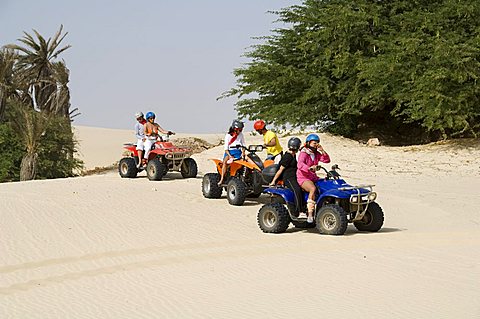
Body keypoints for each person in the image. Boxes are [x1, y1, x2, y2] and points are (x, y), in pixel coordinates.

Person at [297, 133, 330, 223]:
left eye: (317, 143)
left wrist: (322, 151)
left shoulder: (316, 154)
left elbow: (327, 160)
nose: (316, 144)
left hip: (313, 176)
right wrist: (309, 168)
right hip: (303, 177)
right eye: (314, 143)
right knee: (312, 188)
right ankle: (310, 214)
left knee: (326, 184)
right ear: (308, 143)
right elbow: (300, 164)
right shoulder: (304, 153)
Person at [269, 137, 306, 218]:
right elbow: (280, 170)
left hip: (295, 176)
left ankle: (304, 208)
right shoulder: (287, 157)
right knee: (297, 190)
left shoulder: (293, 154)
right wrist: (273, 181)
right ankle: (298, 211)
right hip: (288, 178)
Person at [218, 120, 247, 185]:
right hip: (230, 152)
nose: (240, 131)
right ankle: (222, 179)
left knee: (248, 159)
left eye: (241, 130)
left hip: (238, 152)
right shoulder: (228, 136)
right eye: (239, 130)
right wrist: (230, 155)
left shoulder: (241, 135)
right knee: (225, 161)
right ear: (235, 129)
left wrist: (243, 152)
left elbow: (243, 145)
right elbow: (226, 148)